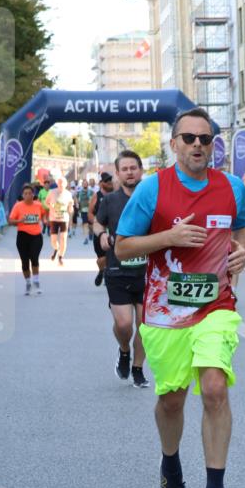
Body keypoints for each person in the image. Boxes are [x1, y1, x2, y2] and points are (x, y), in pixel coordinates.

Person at [114, 107, 245, 488]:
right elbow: (122, 247)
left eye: (205, 139)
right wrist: (169, 237)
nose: (197, 145)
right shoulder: (152, 189)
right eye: (188, 138)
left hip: (216, 305)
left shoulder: (231, 186)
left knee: (214, 389)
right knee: (172, 401)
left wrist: (242, 249)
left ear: (213, 145)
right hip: (164, 311)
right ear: (174, 144)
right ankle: (170, 465)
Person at [95, 151, 151, 387]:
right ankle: (124, 350)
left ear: (140, 170)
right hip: (117, 270)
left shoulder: (151, 198)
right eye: (125, 169)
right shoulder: (110, 200)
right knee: (124, 324)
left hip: (147, 271)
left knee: (145, 327)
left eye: (133, 168)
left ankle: (138, 369)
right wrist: (101, 235)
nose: (130, 172)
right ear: (118, 174)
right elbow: (98, 221)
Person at [8, 183, 45, 295]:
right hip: (23, 235)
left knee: (34, 258)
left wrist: (44, 221)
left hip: (36, 236)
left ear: (33, 194)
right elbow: (10, 221)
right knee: (25, 262)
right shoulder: (18, 206)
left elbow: (43, 214)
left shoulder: (38, 205)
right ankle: (28, 283)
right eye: (25, 194)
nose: (28, 195)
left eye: (30, 193)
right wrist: (19, 221)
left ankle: (36, 282)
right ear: (22, 195)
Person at [89, 172, 115, 286]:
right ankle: (101, 271)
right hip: (100, 230)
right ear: (101, 183)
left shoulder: (116, 194)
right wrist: (95, 222)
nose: (109, 182)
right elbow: (90, 212)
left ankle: (109, 274)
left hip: (113, 230)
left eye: (110, 180)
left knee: (113, 254)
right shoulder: (97, 196)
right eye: (106, 181)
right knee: (101, 258)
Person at [45, 177, 73, 265]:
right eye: (59, 183)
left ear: (66, 184)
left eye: (63, 183)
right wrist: (51, 207)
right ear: (57, 184)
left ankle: (61, 257)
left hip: (64, 218)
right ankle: (56, 249)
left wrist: (71, 208)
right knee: (53, 239)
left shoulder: (68, 194)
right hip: (53, 218)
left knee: (63, 238)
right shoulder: (52, 192)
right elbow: (46, 202)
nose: (61, 185)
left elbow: (70, 207)